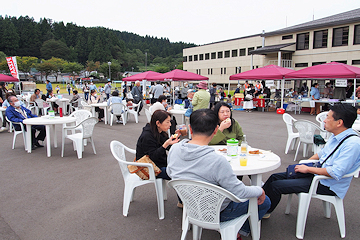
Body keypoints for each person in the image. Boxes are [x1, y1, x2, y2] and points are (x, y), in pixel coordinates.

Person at [167, 109, 270, 239]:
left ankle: (234, 230)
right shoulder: (217, 161)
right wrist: (259, 190)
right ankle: (237, 230)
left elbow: (171, 173)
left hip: (191, 206)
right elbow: (240, 192)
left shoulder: (174, 149)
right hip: (217, 211)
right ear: (216, 130)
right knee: (265, 201)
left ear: (190, 128)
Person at [263, 104, 360, 218]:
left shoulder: (352, 144)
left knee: (276, 186)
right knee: (274, 177)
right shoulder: (336, 136)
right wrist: (306, 163)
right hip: (317, 173)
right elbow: (322, 153)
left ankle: (263, 211)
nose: (324, 120)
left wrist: (308, 168)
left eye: (328, 117)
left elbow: (336, 172)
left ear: (339, 123)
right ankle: (256, 205)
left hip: (327, 184)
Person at [136, 110, 180, 181]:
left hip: (159, 164)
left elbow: (169, 147)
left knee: (183, 168)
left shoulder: (159, 132)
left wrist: (175, 138)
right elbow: (153, 156)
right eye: (167, 122)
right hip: (149, 168)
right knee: (180, 173)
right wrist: (165, 144)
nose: (170, 125)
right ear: (158, 123)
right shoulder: (147, 136)